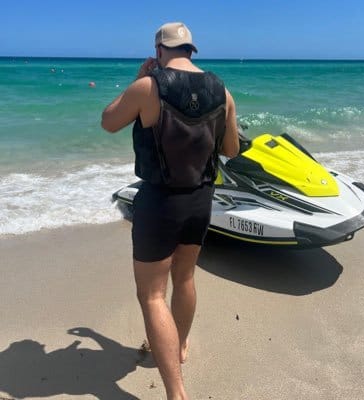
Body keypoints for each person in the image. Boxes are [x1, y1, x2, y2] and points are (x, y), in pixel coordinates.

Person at [101, 22, 239, 400]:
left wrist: (138, 78)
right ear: (191, 50)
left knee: (152, 295)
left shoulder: (149, 86)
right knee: (185, 276)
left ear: (159, 50)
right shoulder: (222, 90)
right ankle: (179, 346)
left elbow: (109, 121)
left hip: (160, 202)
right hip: (200, 199)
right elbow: (231, 150)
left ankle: (177, 394)